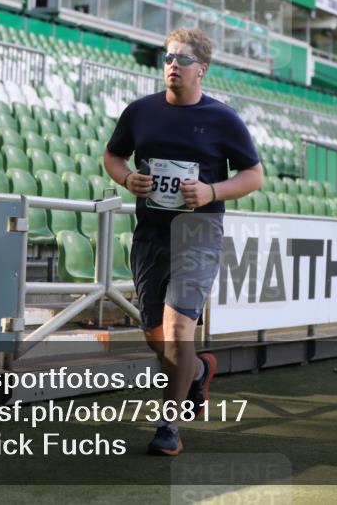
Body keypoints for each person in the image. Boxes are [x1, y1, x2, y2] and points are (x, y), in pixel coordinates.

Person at [103, 28, 263, 456]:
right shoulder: (139, 112)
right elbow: (113, 156)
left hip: (199, 231)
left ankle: (168, 425)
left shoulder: (223, 119)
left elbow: (254, 176)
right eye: (169, 57)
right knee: (157, 338)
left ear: (202, 70)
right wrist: (126, 178)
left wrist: (211, 192)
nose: (173, 64)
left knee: (177, 330)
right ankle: (194, 373)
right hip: (151, 232)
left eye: (183, 59)